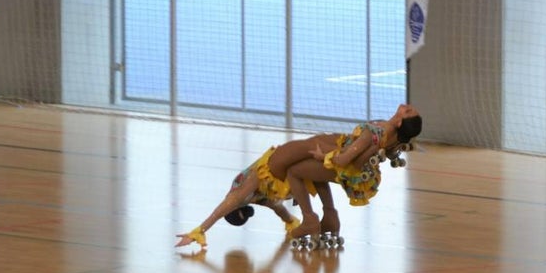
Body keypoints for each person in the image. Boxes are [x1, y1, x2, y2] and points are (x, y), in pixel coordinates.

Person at [175, 104, 422, 250]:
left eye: (408, 110)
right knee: (306, 164)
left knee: (305, 161)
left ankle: (317, 218)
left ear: (401, 120)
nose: (406, 105)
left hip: (286, 165)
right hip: (282, 165)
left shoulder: (379, 132)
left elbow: (239, 203)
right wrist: (199, 230)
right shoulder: (388, 135)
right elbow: (242, 203)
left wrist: (200, 230)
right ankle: (322, 218)